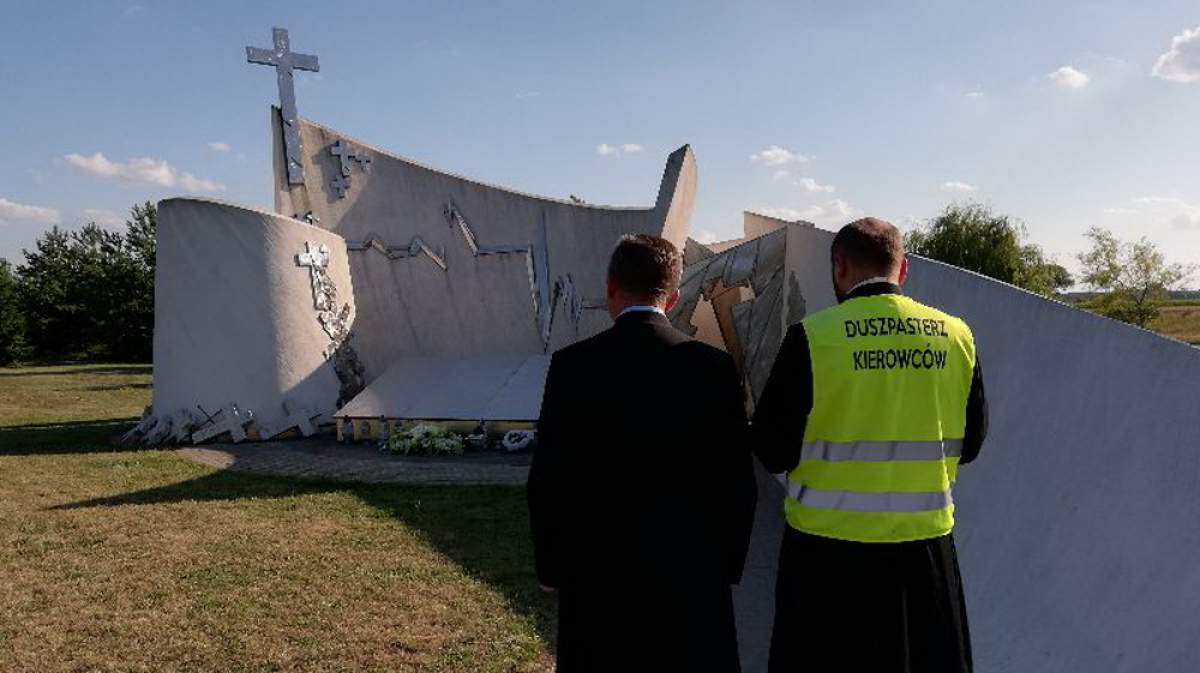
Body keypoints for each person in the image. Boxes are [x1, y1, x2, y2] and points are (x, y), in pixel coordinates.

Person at [752, 218, 988, 673]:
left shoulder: (813, 338)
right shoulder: (958, 337)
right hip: (925, 557)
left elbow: (771, 450)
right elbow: (971, 444)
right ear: (904, 270)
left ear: (839, 266)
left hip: (825, 561)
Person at [527, 233, 758, 673]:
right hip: (692, 578)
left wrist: (551, 567)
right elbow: (737, 482)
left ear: (611, 286)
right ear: (672, 297)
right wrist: (726, 566)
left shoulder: (572, 366)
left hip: (598, 581)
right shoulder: (713, 368)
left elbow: (549, 479)